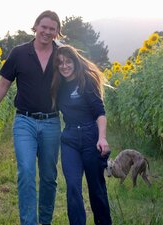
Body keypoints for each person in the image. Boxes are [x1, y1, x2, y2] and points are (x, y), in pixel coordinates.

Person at [0, 10, 62, 225]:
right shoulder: (19, 53)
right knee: (26, 172)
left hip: (52, 122)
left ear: (57, 32)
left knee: (48, 177)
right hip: (24, 121)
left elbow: (76, 79)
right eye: (43, 27)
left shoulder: (62, 55)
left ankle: (45, 221)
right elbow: (3, 85)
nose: (47, 32)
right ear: (35, 27)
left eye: (52, 29)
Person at [51, 45, 112, 225]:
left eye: (68, 61)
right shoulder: (58, 85)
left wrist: (102, 138)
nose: (64, 66)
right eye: (60, 62)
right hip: (69, 139)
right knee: (73, 187)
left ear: (75, 62)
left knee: (97, 189)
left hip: (90, 137)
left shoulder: (86, 81)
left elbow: (100, 113)